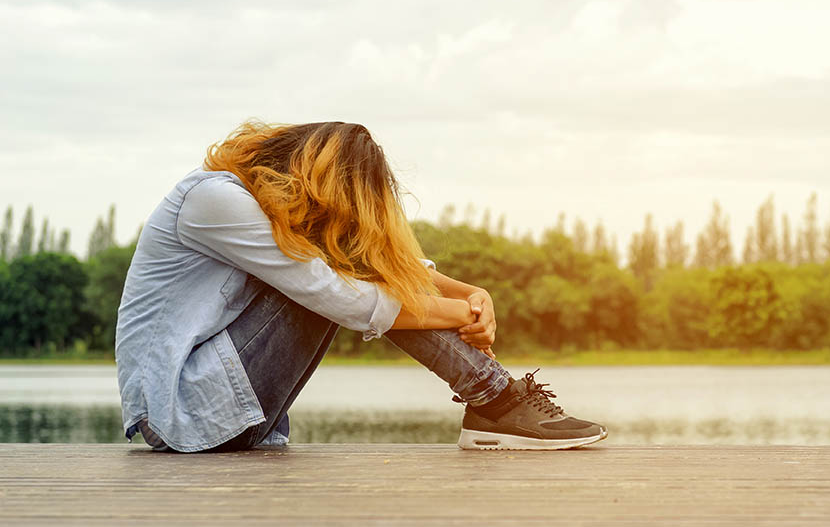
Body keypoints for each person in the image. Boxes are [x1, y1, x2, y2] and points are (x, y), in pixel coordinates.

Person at [115, 120, 607, 452]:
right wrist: (454, 315)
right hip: (179, 413)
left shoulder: (259, 208)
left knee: (344, 268)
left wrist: (466, 292)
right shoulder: (214, 199)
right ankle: (496, 401)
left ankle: (494, 403)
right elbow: (334, 295)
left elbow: (366, 260)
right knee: (331, 284)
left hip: (229, 418)